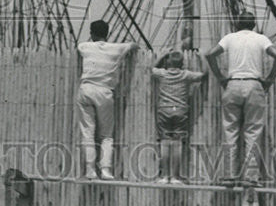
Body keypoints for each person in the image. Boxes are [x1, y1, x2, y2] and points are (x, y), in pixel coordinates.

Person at [204, 10, 276, 186]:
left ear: (238, 24)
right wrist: (269, 79)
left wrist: (221, 77)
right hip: (253, 84)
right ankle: (251, 177)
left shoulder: (229, 38)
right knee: (253, 132)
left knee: (230, 130)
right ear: (253, 24)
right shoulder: (260, 39)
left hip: (232, 84)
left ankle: (230, 175)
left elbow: (210, 54)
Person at [76, 19, 137, 180]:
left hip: (86, 89)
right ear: (107, 33)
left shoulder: (84, 46)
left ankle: (90, 170)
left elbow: (79, 48)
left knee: (88, 133)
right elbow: (133, 45)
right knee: (106, 135)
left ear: (92, 34)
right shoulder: (116, 49)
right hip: (104, 91)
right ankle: (106, 170)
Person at [150, 51, 206, 184]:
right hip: (180, 110)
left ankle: (164, 176)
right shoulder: (186, 74)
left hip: (164, 109)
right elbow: (203, 75)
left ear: (168, 63)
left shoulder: (162, 74)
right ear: (182, 64)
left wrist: (162, 56)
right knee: (177, 143)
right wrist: (202, 58)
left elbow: (151, 69)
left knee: (164, 142)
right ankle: (175, 176)